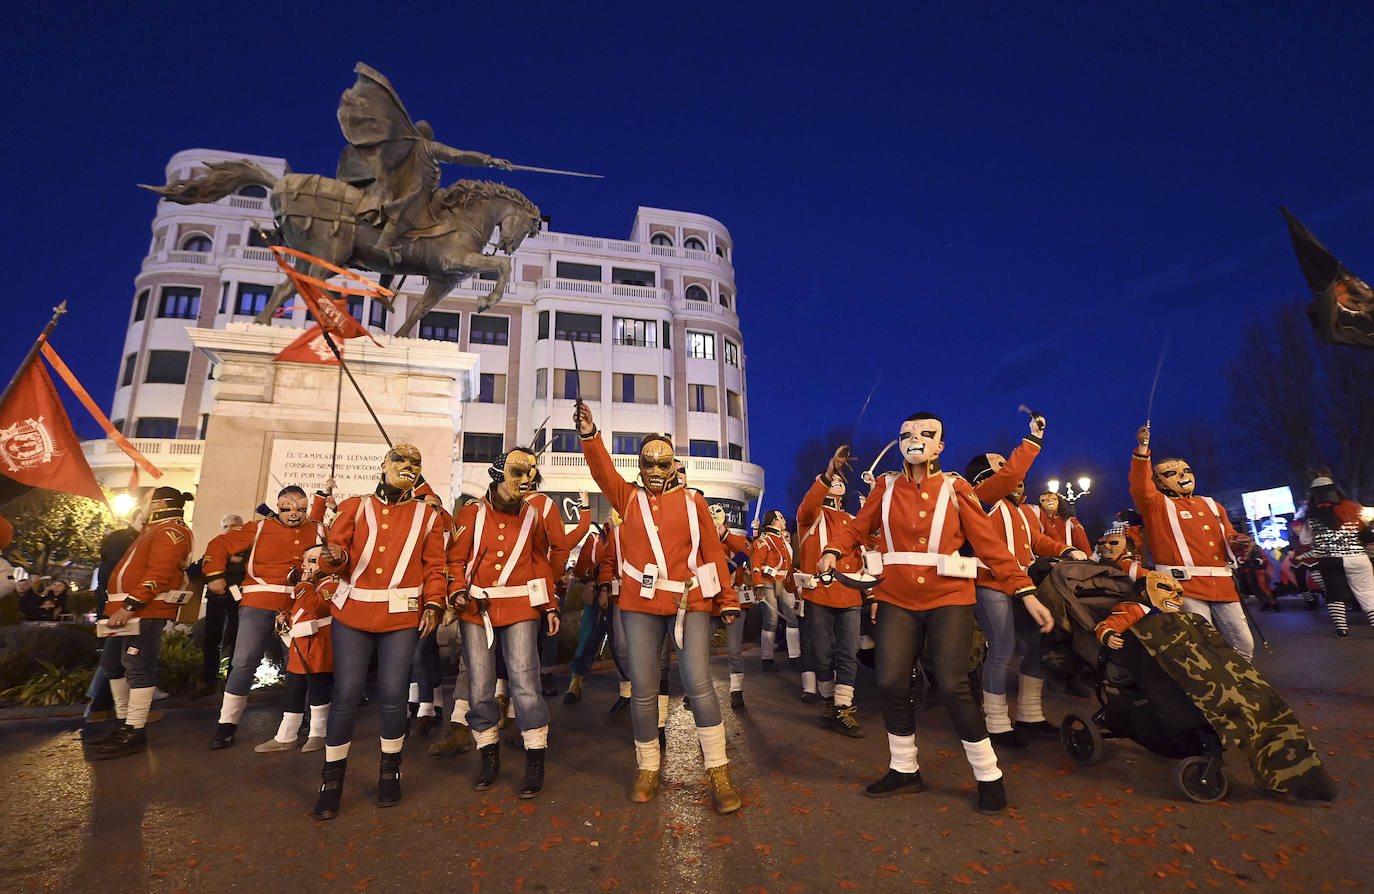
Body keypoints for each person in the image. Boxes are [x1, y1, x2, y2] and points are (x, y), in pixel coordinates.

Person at [817, 413, 1053, 814]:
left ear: (940, 446)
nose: (915, 440)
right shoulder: (885, 486)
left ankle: (988, 774)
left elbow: (990, 545)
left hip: (949, 597)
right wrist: (832, 550)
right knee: (891, 682)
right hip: (895, 598)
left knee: (952, 685)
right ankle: (904, 768)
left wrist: (1024, 590)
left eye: (927, 434)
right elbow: (857, 528)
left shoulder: (956, 486)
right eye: (907, 434)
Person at [575, 403, 744, 813]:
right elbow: (602, 471)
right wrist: (589, 433)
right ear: (639, 464)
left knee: (699, 682)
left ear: (673, 464)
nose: (654, 468)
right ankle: (648, 767)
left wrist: (727, 598)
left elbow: (712, 553)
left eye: (662, 462)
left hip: (690, 600)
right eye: (647, 462)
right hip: (640, 603)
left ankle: (719, 772)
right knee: (645, 688)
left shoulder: (694, 503)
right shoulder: (627, 498)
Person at [313, 445, 448, 819]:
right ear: (383, 466)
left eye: (416, 463)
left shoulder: (428, 515)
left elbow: (436, 565)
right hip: (353, 612)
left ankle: (390, 771)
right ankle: (331, 780)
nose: (409, 467)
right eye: (400, 461)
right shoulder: (354, 507)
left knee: (393, 695)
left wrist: (435, 603)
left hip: (401, 617)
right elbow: (331, 556)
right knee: (345, 694)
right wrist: (333, 557)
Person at [446, 448, 564, 797]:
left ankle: (535, 759)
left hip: (521, 607)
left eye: (530, 474)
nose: (525, 481)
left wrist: (550, 606)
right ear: (497, 476)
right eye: (517, 473)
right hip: (477, 610)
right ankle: (489, 758)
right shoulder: (470, 514)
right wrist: (456, 592)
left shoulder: (535, 516)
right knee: (481, 686)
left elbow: (540, 563)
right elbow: (455, 560)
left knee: (526, 683)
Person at [965, 415, 1084, 748]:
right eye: (1000, 468)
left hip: (1021, 583)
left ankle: (1030, 714)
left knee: (1034, 643)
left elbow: (1035, 540)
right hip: (989, 582)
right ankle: (996, 721)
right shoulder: (981, 497)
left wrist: (1067, 548)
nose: (1010, 474)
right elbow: (1012, 473)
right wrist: (1032, 441)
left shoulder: (1012, 508)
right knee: (1001, 648)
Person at [202, 487, 326, 749]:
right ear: (278, 506)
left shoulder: (317, 529)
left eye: (301, 509)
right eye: (287, 508)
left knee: (299, 663)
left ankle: (297, 718)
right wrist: (214, 575)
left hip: (298, 605)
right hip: (259, 602)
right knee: (244, 661)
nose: (294, 514)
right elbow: (219, 544)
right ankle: (227, 723)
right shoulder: (258, 528)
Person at [1130, 426, 1255, 659]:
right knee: (1202, 647)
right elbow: (1140, 486)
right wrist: (1143, 450)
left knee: (1244, 645)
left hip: (1224, 586)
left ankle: (1242, 691)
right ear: (1158, 482)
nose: (1182, 475)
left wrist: (1239, 542)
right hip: (1185, 588)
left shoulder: (1212, 505)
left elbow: (1227, 536)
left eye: (1186, 470)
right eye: (1171, 473)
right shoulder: (1156, 505)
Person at [92, 488, 195, 758]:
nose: (144, 505)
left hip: (144, 611)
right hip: (129, 610)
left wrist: (130, 606)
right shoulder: (157, 529)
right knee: (113, 665)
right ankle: (124, 723)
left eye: (147, 501)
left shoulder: (171, 530)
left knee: (138, 667)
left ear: (160, 503)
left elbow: (158, 574)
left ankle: (134, 730)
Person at [794, 445, 868, 735]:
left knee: (848, 654)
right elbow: (810, 502)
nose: (837, 482)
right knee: (822, 655)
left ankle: (842, 708)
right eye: (831, 481)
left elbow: (869, 546)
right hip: (820, 595)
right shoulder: (809, 516)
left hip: (850, 594)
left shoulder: (851, 520)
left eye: (840, 480)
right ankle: (828, 702)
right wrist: (828, 472)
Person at [255, 544, 334, 753]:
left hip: (319, 646)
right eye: (306, 559)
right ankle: (285, 736)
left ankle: (318, 734)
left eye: (313, 560)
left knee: (318, 691)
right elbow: (300, 611)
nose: (306, 565)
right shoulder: (308, 585)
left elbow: (315, 607)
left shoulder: (332, 584)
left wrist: (304, 585)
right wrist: (285, 617)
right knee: (293, 692)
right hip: (300, 646)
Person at [1299, 476, 1374, 637]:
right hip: (1357, 558)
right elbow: (1368, 536)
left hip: (1329, 560)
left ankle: (1341, 630)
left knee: (1334, 593)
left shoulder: (1312, 519)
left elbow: (1304, 540)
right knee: (1367, 592)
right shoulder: (1353, 513)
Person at [564, 509, 619, 705]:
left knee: (623, 644)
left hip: (622, 598)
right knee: (587, 638)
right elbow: (581, 569)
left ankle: (628, 691)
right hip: (596, 595)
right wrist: (595, 572)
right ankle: (575, 682)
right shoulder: (596, 537)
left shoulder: (632, 534)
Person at [196, 513, 246, 694]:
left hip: (239, 598)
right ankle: (209, 680)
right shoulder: (216, 546)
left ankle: (232, 682)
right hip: (216, 598)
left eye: (233, 526)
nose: (229, 530)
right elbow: (202, 566)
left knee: (236, 638)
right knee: (212, 638)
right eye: (226, 526)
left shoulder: (249, 546)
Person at [751, 510, 798, 670]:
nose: (784, 520)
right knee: (771, 620)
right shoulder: (765, 541)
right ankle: (767, 658)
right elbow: (756, 564)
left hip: (783, 582)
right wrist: (758, 586)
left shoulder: (782, 540)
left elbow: (788, 565)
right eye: (781, 517)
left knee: (792, 617)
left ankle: (795, 656)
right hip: (768, 582)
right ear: (773, 521)